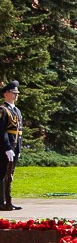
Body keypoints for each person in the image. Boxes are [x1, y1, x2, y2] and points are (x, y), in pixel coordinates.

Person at [0, 81, 23, 211]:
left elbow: (19, 131)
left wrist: (18, 148)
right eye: (13, 93)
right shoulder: (3, 110)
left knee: (10, 175)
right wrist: (7, 147)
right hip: (5, 147)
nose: (16, 95)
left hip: (15, 146)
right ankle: (1, 201)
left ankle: (8, 201)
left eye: (16, 93)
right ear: (6, 94)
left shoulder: (17, 110)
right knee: (2, 174)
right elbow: (2, 131)